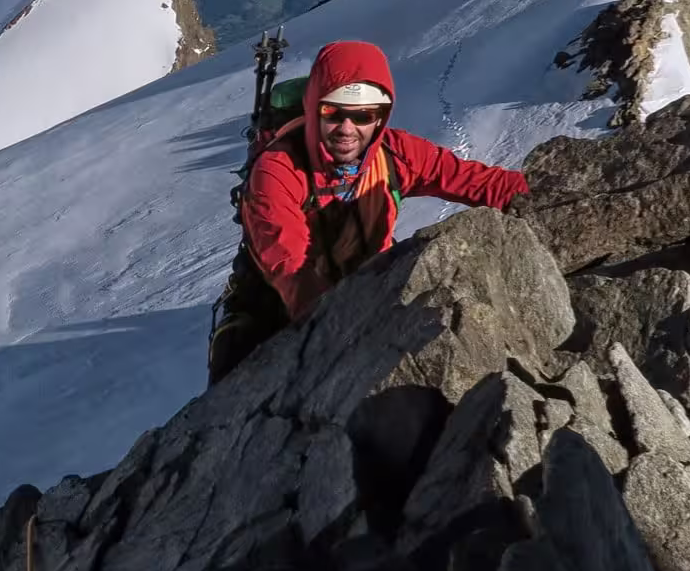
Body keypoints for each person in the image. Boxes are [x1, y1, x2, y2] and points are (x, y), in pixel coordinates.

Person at [208, 39, 528, 379]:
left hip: (369, 293)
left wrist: (546, 193)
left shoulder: (395, 153)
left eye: (363, 116)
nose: (348, 129)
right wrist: (338, 332)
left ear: (380, 118)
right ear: (315, 106)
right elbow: (290, 263)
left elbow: (473, 181)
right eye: (333, 113)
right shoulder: (277, 170)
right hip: (276, 310)